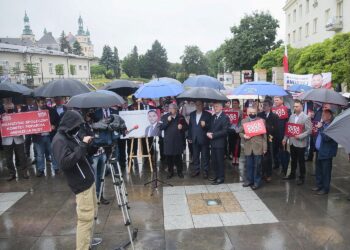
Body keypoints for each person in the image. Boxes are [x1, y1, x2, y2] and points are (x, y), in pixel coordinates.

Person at [52, 110, 102, 250]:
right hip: (81, 184)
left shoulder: (70, 135)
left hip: (88, 179)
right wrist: (82, 145)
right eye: (76, 125)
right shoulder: (59, 140)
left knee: (92, 214)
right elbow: (65, 163)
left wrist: (89, 145)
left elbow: (81, 154)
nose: (78, 128)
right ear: (69, 124)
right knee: (85, 218)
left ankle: (88, 240)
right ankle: (83, 247)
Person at [283, 100, 312, 185]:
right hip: (292, 142)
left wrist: (300, 136)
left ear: (301, 107)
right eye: (294, 106)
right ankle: (292, 174)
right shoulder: (291, 116)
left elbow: (309, 131)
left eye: (297, 106)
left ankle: (302, 177)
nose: (295, 108)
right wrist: (285, 138)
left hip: (300, 143)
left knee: (301, 161)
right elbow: (288, 129)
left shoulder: (306, 117)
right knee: (293, 160)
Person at [1, 98, 28, 181]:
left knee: (22, 156)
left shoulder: (18, 115)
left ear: (13, 107)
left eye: (10, 107)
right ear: (4, 108)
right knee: (8, 158)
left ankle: (24, 172)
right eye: (7, 107)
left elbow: (24, 125)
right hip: (6, 141)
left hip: (18, 139)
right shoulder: (1, 117)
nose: (9, 108)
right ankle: (12, 173)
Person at [240, 107, 267, 190]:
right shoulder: (243, 121)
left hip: (258, 147)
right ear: (248, 113)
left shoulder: (261, 121)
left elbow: (264, 136)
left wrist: (265, 148)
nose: (253, 114)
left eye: (254, 112)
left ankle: (256, 182)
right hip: (248, 146)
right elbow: (240, 132)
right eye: (251, 112)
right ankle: (249, 180)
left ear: (257, 112)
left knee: (257, 166)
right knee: (249, 165)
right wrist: (244, 135)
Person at [312, 110, 338, 195]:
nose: (322, 116)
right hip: (319, 151)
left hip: (326, 153)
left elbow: (327, 138)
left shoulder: (332, 126)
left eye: (324, 115)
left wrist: (320, 128)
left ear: (329, 116)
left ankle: (325, 188)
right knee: (318, 170)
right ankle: (319, 185)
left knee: (325, 172)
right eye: (322, 114)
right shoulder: (323, 124)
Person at [32, 98, 59, 177]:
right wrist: (34, 130)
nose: (43, 104)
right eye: (41, 103)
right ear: (37, 102)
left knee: (53, 153)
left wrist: (55, 126)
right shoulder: (32, 112)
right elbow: (28, 124)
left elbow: (58, 120)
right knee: (40, 155)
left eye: (44, 102)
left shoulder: (51, 110)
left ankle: (56, 168)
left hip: (50, 136)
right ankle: (41, 170)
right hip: (38, 137)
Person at [160, 103, 188, 179]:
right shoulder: (164, 117)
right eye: (169, 108)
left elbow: (186, 127)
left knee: (178, 157)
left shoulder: (180, 117)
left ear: (176, 109)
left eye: (172, 108)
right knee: (169, 158)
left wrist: (182, 127)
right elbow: (161, 127)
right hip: (168, 141)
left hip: (178, 140)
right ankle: (170, 172)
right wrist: (168, 121)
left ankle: (180, 172)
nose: (170, 110)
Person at [207, 102, 230, 185]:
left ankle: (221, 177)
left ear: (221, 107)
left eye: (216, 106)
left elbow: (225, 131)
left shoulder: (225, 117)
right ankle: (216, 175)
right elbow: (210, 127)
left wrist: (213, 135)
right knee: (214, 161)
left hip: (220, 143)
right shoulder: (213, 117)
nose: (215, 108)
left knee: (220, 161)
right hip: (213, 143)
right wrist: (208, 132)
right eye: (214, 106)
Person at [187, 101, 211, 179]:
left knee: (205, 156)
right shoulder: (192, 114)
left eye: (199, 105)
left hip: (204, 139)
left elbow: (210, 127)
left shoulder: (208, 114)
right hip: (194, 139)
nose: (198, 106)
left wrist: (205, 125)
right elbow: (190, 127)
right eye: (196, 105)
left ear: (203, 105)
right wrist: (189, 137)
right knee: (195, 156)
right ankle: (196, 170)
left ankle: (205, 171)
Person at [258, 99, 279, 182]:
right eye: (263, 105)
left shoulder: (274, 116)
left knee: (268, 157)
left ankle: (268, 174)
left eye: (266, 105)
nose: (264, 106)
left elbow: (275, 130)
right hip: (260, 139)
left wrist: (265, 124)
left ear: (270, 106)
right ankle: (262, 173)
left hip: (270, 139)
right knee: (261, 157)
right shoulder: (259, 115)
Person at [273, 96, 291, 172]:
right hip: (274, 135)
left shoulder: (286, 109)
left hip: (282, 134)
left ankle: (283, 166)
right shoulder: (272, 109)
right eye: (274, 100)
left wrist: (285, 136)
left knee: (282, 150)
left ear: (282, 100)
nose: (275, 102)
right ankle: (276, 164)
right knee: (274, 150)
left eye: (277, 100)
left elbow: (288, 123)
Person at [228, 99, 242, 166]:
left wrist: (239, 129)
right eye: (233, 103)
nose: (234, 104)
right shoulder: (229, 111)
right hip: (230, 130)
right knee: (231, 144)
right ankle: (233, 157)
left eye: (236, 103)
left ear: (238, 104)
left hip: (238, 130)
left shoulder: (240, 112)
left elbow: (242, 121)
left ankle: (237, 158)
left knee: (238, 145)